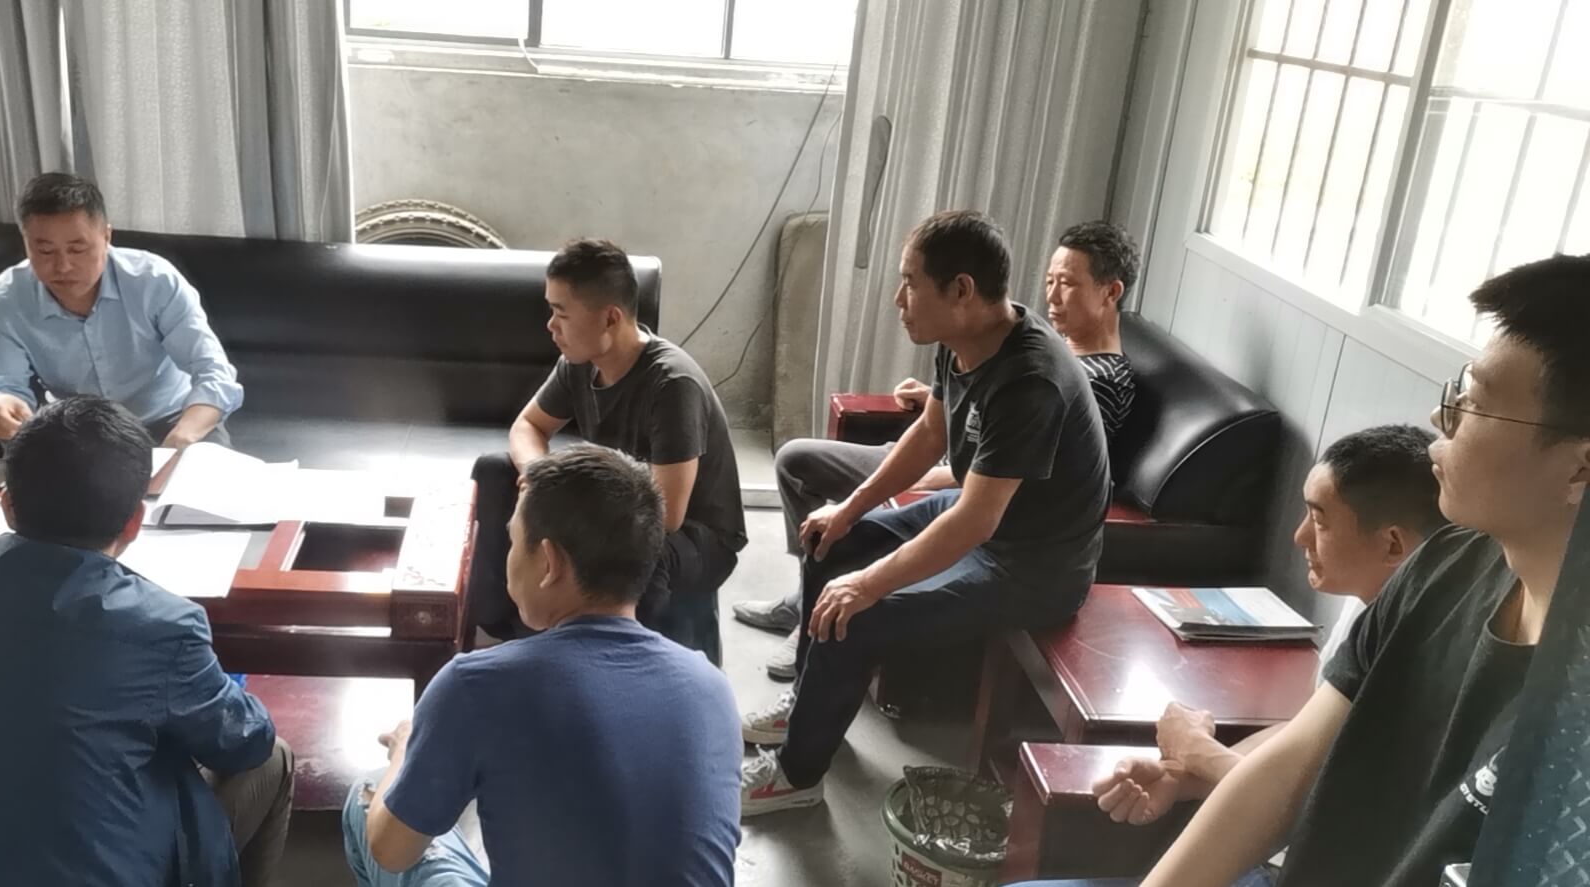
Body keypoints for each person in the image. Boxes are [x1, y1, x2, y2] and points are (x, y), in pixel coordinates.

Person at [1015, 254, 1590, 887]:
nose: (1442, 419)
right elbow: (1291, 769)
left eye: (1474, 403)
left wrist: (1199, 757)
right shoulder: (1440, 568)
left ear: (1580, 469)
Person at [740, 210, 1112, 816]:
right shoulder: (963, 342)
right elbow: (928, 436)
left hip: (1033, 565)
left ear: (961, 290)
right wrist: (848, 510)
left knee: (858, 611)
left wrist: (869, 583)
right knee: (829, 544)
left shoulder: (1029, 380)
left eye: (910, 282)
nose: (898, 299)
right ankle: (808, 705)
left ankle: (796, 778)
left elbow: (975, 523)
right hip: (988, 520)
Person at [0, 397, 293, 887]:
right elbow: (245, 742)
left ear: (8, 506)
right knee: (272, 757)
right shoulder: (163, 625)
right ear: (134, 522)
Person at [1043, 425, 1445, 887]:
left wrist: (1200, 753)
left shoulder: (1429, 663)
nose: (1298, 536)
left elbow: (1331, 821)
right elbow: (1301, 739)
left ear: (1392, 544)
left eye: (1320, 521)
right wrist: (1182, 775)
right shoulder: (1365, 607)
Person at [344, 444, 742, 886]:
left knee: (370, 793)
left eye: (514, 540)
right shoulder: (711, 687)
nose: (509, 557)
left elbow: (392, 851)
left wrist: (404, 751)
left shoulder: (476, 685)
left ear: (549, 563)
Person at [465, 238, 747, 663]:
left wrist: (568, 508)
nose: (551, 326)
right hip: (619, 504)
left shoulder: (672, 384)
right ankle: (508, 632)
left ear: (610, 318)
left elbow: (666, 514)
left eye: (561, 313)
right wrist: (538, 477)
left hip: (696, 536)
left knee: (639, 552)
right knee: (493, 471)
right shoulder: (579, 364)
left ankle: (625, 665)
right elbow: (528, 426)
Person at [0, 172, 242, 450]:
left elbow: (213, 371)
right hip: (77, 431)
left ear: (106, 236)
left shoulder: (154, 282)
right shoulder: (3, 302)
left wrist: (183, 436)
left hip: (169, 418)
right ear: (26, 243)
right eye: (46, 251)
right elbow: (4, 384)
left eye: (77, 249)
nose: (63, 266)